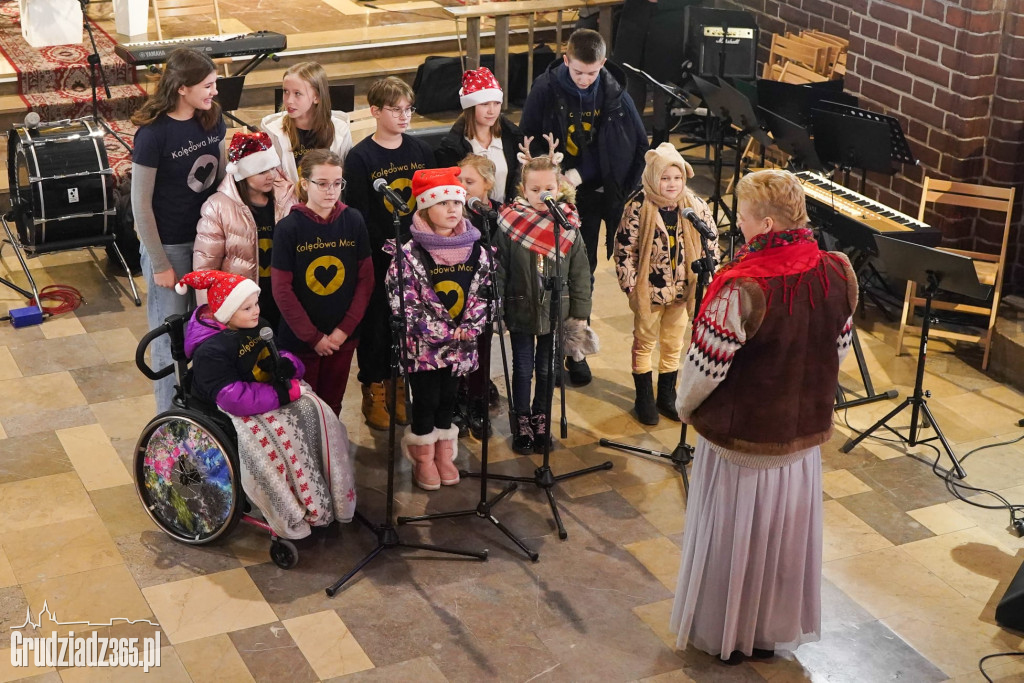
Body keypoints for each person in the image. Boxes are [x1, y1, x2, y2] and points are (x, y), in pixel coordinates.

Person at [670, 169, 857, 665]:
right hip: (800, 444)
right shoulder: (838, 270)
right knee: (781, 543)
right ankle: (770, 630)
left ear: (768, 222)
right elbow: (838, 349)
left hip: (743, 443)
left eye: (745, 213)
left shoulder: (743, 285)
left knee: (736, 540)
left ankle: (727, 632)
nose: (739, 221)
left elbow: (704, 368)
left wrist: (684, 407)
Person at [177, 269, 357, 540]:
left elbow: (279, 353)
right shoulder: (211, 352)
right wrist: (282, 395)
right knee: (277, 440)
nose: (256, 311)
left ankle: (328, 491)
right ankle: (291, 508)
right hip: (227, 408)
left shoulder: (257, 326)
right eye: (247, 307)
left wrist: (289, 365)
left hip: (263, 394)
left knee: (317, 411)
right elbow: (232, 397)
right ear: (225, 312)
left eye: (256, 304)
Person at [520, 28, 647, 386]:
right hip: (550, 197)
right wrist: (549, 173)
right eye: (578, 72)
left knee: (581, 273)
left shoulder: (615, 92)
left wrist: (590, 177)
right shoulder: (546, 89)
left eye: (591, 73)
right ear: (566, 60)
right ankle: (544, 347)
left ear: (603, 64)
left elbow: (634, 144)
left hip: (592, 197)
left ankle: (574, 349)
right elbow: (527, 138)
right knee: (546, 273)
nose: (585, 79)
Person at [131, 47, 227, 414]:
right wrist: (159, 263)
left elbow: (219, 177)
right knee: (169, 339)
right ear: (182, 88)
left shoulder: (211, 117)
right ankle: (170, 422)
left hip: (205, 243)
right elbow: (141, 205)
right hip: (169, 248)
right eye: (208, 85)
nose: (214, 92)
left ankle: (201, 413)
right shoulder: (153, 135)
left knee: (204, 331)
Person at [385, 168, 492, 489]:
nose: (451, 210)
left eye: (456, 203)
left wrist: (471, 324)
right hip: (425, 348)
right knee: (427, 399)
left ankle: (444, 453)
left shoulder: (476, 248)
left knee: (449, 398)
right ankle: (423, 457)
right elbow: (402, 301)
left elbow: (485, 291)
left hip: (462, 343)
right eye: (442, 203)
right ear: (425, 209)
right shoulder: (409, 253)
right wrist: (442, 332)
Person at [344, 76, 436, 431]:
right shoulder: (360, 158)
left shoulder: (420, 151)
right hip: (380, 258)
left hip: (417, 255)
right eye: (395, 110)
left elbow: (429, 204)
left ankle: (400, 384)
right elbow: (359, 215)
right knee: (377, 326)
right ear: (375, 112)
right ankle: (374, 388)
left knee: (408, 325)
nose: (404, 116)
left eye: (408, 109)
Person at [496, 148, 591, 456]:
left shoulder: (568, 225)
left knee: (549, 370)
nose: (541, 194)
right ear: (522, 190)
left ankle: (541, 418)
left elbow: (580, 274)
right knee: (523, 368)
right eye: (534, 190)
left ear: (559, 188)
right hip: (521, 308)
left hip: (556, 311)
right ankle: (521, 420)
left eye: (548, 188)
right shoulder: (510, 224)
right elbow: (498, 270)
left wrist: (579, 314)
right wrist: (497, 306)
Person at [614, 143, 716, 425]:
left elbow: (711, 242)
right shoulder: (638, 207)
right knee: (645, 342)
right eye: (665, 178)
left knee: (673, 343)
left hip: (684, 290)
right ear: (652, 178)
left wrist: (707, 276)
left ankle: (667, 395)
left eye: (678, 178)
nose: (672, 184)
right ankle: (643, 397)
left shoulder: (694, 206)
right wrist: (632, 288)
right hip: (649, 292)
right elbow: (624, 250)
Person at [271, 149, 374, 416]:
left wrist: (343, 330)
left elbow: (365, 280)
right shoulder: (288, 228)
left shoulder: (353, 220)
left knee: (332, 404)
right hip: (300, 340)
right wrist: (313, 336)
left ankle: (331, 455)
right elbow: (282, 289)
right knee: (301, 408)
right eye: (323, 183)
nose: (331, 191)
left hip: (343, 336)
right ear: (304, 184)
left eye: (337, 183)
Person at [194, 131, 297, 331]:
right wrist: (211, 321)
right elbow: (205, 270)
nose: (270, 176)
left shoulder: (288, 200)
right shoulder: (218, 207)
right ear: (243, 174)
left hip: (284, 301)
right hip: (242, 308)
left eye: (272, 168)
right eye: (261, 171)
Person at [457, 154, 502, 439]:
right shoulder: (454, 211)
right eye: (458, 180)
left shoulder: (498, 213)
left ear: (487, 183)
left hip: (485, 294)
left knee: (482, 348)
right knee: (459, 347)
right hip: (460, 291)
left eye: (469, 181)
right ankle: (457, 399)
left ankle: (477, 401)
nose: (462, 186)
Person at [435, 67, 524, 205]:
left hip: (507, 215)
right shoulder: (452, 148)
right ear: (470, 107)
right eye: (484, 104)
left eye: (497, 103)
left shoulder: (512, 138)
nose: (492, 111)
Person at [613, 0, 696, 147]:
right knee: (631, 80)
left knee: (662, 85)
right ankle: (630, 141)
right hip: (634, 21)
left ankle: (659, 142)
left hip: (668, 23)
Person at [261, 61, 353, 184]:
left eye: (297, 93)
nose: (289, 101)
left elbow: (345, 177)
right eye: (285, 91)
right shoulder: (272, 131)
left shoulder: (340, 130)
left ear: (317, 97)